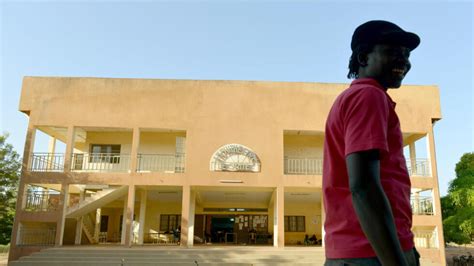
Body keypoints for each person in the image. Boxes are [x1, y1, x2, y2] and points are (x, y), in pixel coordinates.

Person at [323, 20, 422, 266]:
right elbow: (363, 186)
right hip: (371, 255)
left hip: (368, 252)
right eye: (392, 52)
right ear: (363, 57)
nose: (404, 61)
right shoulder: (368, 95)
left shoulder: (359, 97)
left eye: (406, 55)